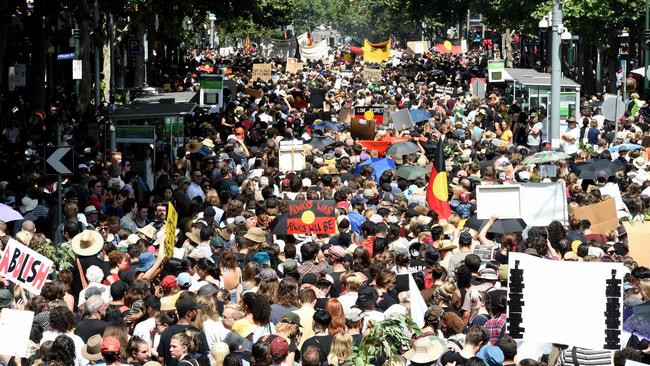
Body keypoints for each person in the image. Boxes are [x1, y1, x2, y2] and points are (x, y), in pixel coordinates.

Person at [157, 294, 209, 366]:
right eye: (195, 310)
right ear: (189, 313)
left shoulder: (166, 332)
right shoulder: (198, 333)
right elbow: (205, 358)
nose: (197, 313)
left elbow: (161, 360)